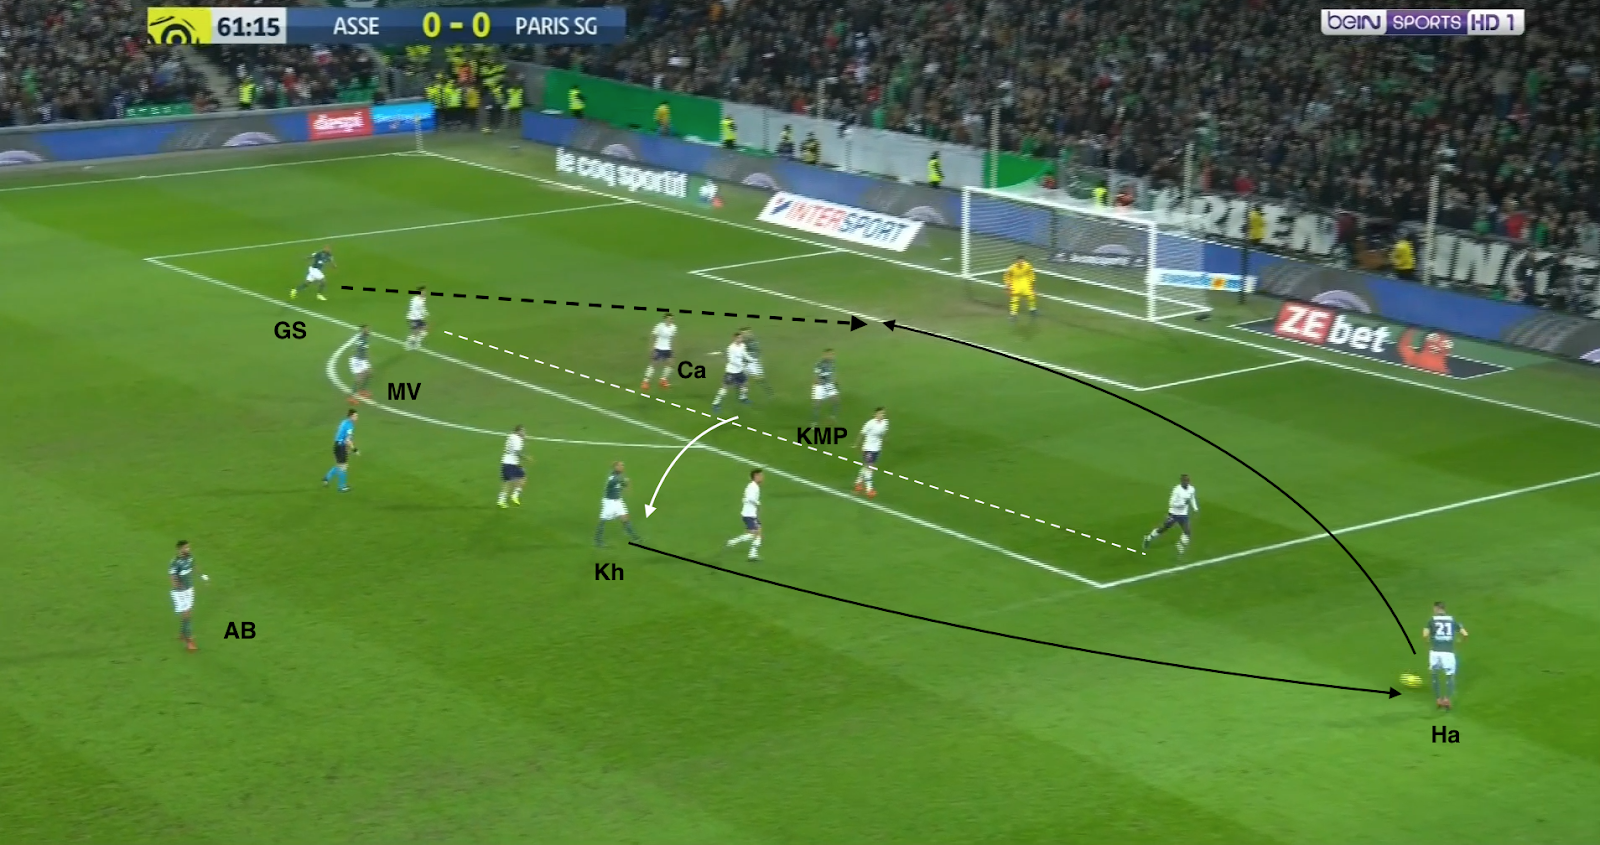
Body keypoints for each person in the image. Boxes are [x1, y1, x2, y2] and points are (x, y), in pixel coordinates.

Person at [1423, 601, 1468, 710]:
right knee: (1449, 675)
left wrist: (1428, 641)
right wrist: (1460, 641)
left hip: (1435, 652)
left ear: (1436, 609)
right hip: (1448, 652)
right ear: (1444, 609)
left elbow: (1425, 635)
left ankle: (1438, 699)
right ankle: (1447, 699)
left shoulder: (1431, 620)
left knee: (1434, 674)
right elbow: (1465, 634)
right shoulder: (1451, 620)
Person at [1142, 474, 1198, 555]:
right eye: (1185, 481)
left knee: (1187, 532)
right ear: (1182, 481)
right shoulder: (1176, 490)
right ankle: (1148, 538)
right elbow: (1171, 503)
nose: (1187, 482)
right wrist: (1182, 504)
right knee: (1163, 529)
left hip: (1183, 515)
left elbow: (1192, 498)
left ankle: (1180, 547)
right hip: (1173, 514)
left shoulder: (1191, 489)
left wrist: (1195, 508)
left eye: (1188, 481)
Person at [169, 540, 205, 651]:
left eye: (188, 547)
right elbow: (173, 578)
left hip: (189, 589)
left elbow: (194, 566)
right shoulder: (175, 562)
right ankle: (189, 641)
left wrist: (202, 575)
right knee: (187, 614)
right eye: (186, 548)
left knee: (187, 614)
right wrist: (179, 588)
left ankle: (182, 634)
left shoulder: (190, 557)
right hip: (180, 592)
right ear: (179, 549)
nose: (188, 549)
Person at [594, 461, 641, 546]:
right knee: (603, 520)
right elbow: (612, 483)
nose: (622, 467)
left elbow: (626, 489)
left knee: (625, 517)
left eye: (622, 465)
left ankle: (634, 537)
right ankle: (598, 540)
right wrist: (623, 481)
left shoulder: (619, 477)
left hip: (618, 501)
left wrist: (627, 483)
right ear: (615, 467)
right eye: (620, 465)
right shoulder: (613, 477)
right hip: (609, 502)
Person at [725, 468, 764, 561]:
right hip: (749, 514)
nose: (762, 477)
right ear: (756, 476)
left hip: (751, 514)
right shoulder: (753, 486)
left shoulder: (753, 486)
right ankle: (734, 543)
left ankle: (751, 554)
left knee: (757, 533)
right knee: (754, 534)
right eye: (761, 475)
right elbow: (750, 498)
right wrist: (758, 504)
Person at [711, 330, 751, 414]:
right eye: (738, 338)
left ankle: (743, 398)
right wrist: (741, 365)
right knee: (724, 388)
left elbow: (744, 353)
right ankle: (716, 404)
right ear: (734, 338)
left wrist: (749, 358)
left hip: (740, 371)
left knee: (745, 384)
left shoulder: (742, 345)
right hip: (731, 371)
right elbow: (731, 360)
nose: (740, 339)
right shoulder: (731, 348)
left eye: (741, 338)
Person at [853, 408, 888, 498]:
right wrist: (856, 444)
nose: (882, 415)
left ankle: (858, 484)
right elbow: (862, 433)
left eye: (883, 414)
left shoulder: (885, 423)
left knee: (867, 467)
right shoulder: (870, 423)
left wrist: (884, 441)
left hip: (877, 449)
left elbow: (883, 434)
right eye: (880, 413)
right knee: (870, 468)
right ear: (875, 414)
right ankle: (869, 490)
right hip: (868, 448)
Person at [323, 409, 358, 492]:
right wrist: (354, 449)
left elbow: (340, 434)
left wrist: (346, 448)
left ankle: (326, 478)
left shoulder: (344, 422)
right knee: (343, 467)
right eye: (355, 416)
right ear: (351, 416)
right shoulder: (350, 426)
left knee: (340, 466)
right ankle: (341, 487)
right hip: (341, 447)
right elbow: (348, 440)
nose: (357, 417)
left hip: (337, 445)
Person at [642, 314, 676, 392]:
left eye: (671, 319)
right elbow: (653, 336)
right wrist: (652, 349)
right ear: (665, 319)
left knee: (670, 364)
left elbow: (672, 338)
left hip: (668, 349)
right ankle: (645, 382)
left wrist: (672, 349)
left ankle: (663, 380)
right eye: (669, 319)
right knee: (654, 365)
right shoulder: (659, 326)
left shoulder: (674, 327)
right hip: (658, 348)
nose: (670, 320)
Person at [498, 425, 527, 508]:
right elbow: (517, 452)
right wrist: (526, 458)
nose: (524, 433)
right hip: (510, 463)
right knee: (508, 482)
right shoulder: (517, 439)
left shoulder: (511, 436)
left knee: (521, 477)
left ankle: (513, 496)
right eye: (523, 431)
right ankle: (503, 500)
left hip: (508, 462)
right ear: (518, 431)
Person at [1004, 254, 1037, 321]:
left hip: (1025, 284)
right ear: (1016, 261)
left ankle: (1033, 310)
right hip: (1015, 285)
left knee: (1031, 297)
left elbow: (1031, 275)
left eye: (1022, 261)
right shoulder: (1011, 268)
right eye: (1019, 261)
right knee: (1015, 300)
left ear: (1024, 261)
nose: (1021, 262)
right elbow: (1007, 277)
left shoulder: (1028, 266)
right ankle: (1013, 315)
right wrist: (1008, 286)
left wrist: (1032, 283)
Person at [811, 348, 839, 425]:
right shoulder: (819, 364)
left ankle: (832, 417)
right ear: (825, 355)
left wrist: (834, 381)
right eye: (829, 354)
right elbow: (816, 376)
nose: (831, 356)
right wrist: (820, 384)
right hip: (820, 386)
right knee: (817, 404)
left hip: (829, 384)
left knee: (836, 401)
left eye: (832, 354)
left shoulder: (832, 363)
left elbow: (832, 373)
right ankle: (814, 422)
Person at [347, 324, 372, 404]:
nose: (368, 331)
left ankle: (362, 390)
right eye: (367, 329)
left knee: (368, 374)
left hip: (361, 359)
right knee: (359, 378)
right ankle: (351, 397)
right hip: (358, 360)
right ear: (363, 330)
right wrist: (367, 363)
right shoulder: (363, 340)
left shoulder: (362, 338)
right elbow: (363, 352)